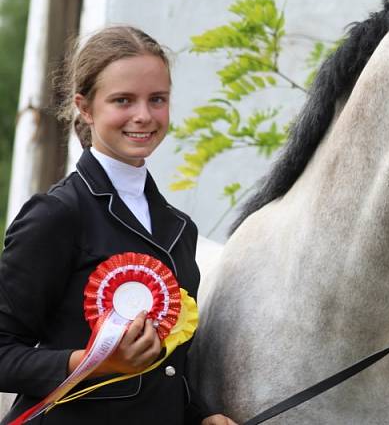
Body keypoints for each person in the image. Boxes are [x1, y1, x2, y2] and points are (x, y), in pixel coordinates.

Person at [0, 26, 237, 425]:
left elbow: (168, 362)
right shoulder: (55, 216)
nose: (143, 116)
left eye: (157, 100)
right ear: (86, 108)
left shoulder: (179, 228)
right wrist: (94, 362)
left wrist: (200, 414)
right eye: (123, 100)